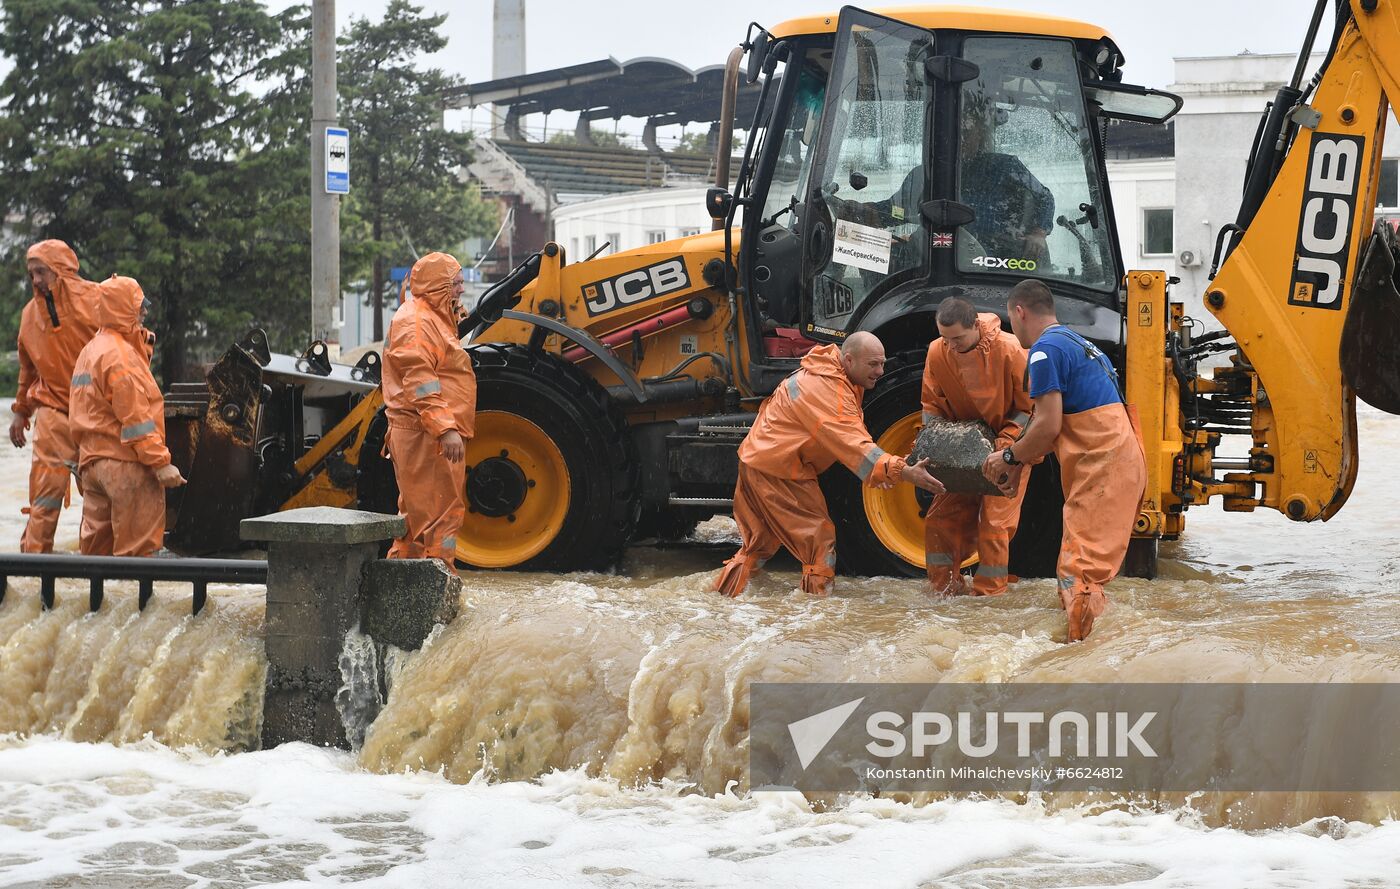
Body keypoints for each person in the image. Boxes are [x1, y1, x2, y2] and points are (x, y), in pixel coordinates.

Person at [716, 331, 944, 598]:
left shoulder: (832, 374)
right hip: (779, 469)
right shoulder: (827, 389)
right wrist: (903, 471)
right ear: (848, 359)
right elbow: (853, 443)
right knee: (820, 543)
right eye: (873, 364)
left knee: (759, 545)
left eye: (882, 363)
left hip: (761, 460)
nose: (880, 371)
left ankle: (723, 600)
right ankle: (817, 617)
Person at [982, 280, 1145, 642]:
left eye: (1011, 318)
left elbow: (1048, 424)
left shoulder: (1044, 351)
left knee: (1080, 574)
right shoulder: (1076, 343)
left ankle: (1080, 664)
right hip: (1118, 458)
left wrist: (1009, 455)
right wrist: (1021, 459)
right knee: (1081, 568)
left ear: (1020, 311)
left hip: (1102, 463)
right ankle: (1093, 650)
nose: (1012, 326)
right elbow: (1055, 428)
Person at [922, 296, 1032, 596]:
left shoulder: (1011, 350)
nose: (951, 346)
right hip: (959, 449)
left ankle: (989, 596)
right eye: (945, 338)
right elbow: (932, 404)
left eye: (957, 338)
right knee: (938, 520)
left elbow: (1030, 409)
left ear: (975, 326)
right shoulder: (938, 350)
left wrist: (1006, 445)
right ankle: (942, 590)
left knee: (994, 524)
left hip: (1007, 448)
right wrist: (933, 442)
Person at [70, 276, 186, 557]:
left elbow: (81, 413)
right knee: (138, 557)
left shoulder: (90, 351)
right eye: (138, 305)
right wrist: (160, 463)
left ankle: (95, 602)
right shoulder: (121, 356)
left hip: (93, 467)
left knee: (96, 558)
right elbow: (136, 419)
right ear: (123, 308)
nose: (144, 311)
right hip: (126, 467)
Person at [382, 252, 475, 565]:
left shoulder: (428, 317)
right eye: (456, 284)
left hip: (423, 432)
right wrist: (445, 428)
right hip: (425, 434)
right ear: (438, 286)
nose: (462, 290)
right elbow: (421, 382)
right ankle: (438, 584)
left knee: (416, 520)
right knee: (440, 517)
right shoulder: (418, 325)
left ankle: (402, 580)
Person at [10, 240, 100, 552]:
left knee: (100, 494)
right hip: (52, 410)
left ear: (60, 271)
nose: (35, 280)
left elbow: (129, 346)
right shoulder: (29, 316)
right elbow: (27, 368)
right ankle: (34, 563)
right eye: (31, 273)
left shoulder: (97, 299)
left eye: (41, 272)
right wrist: (21, 412)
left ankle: (104, 569)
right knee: (45, 492)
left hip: (96, 412)